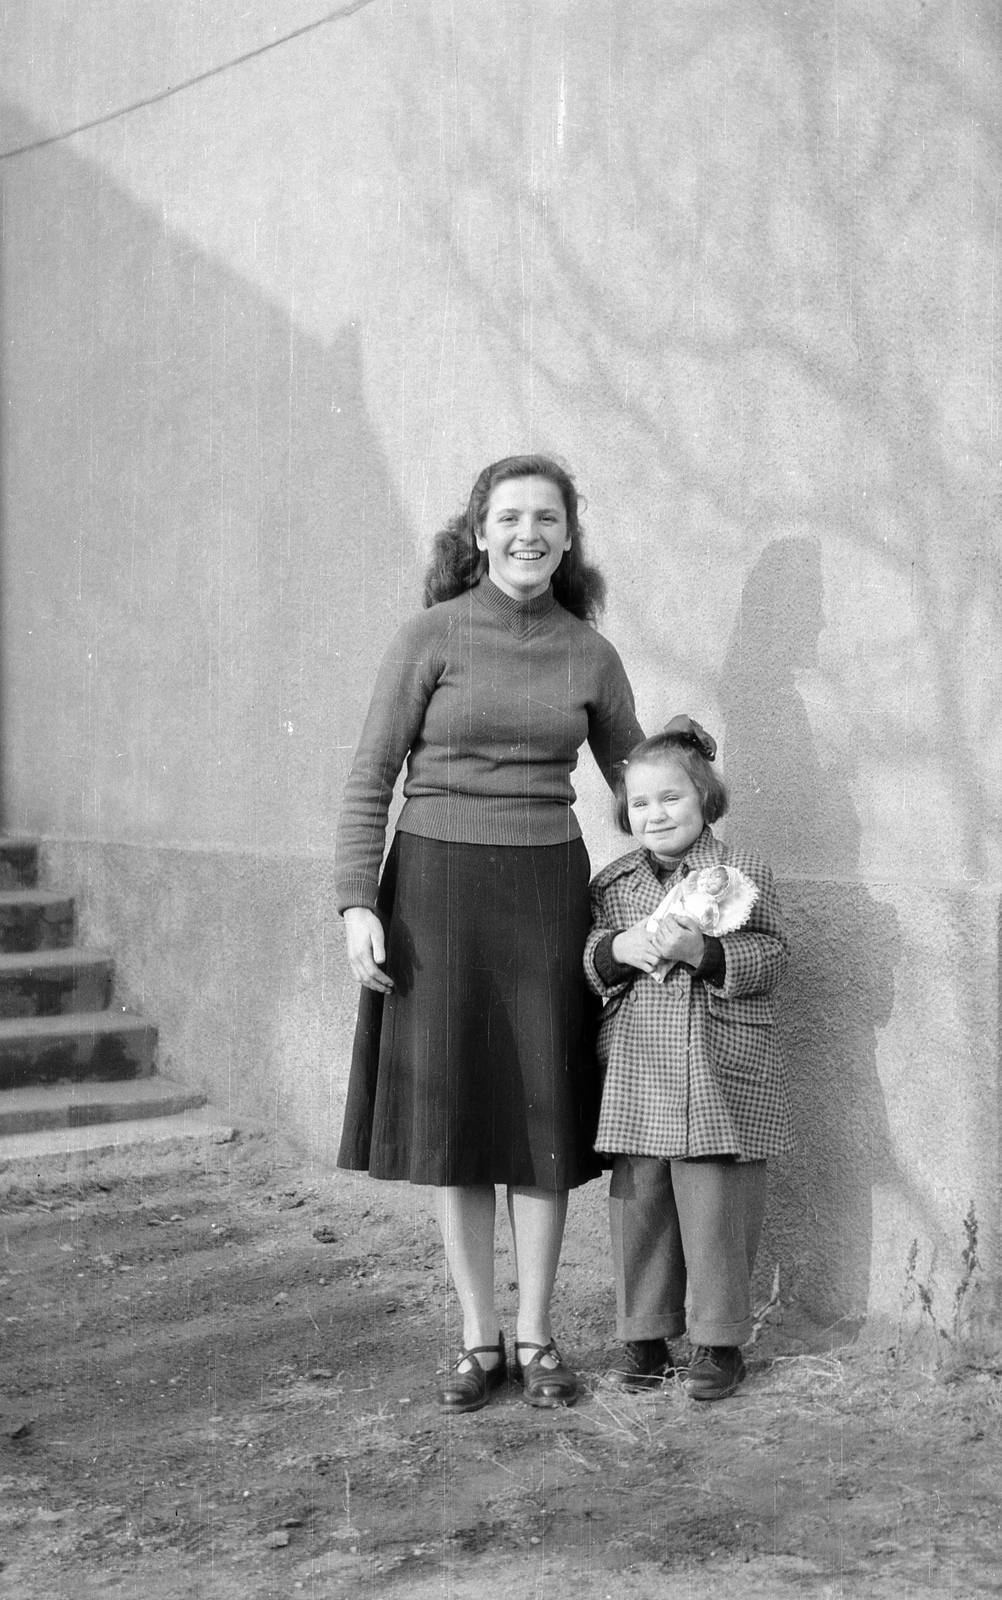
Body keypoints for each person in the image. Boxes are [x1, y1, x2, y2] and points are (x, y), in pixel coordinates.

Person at [334, 454, 644, 1413]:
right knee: (460, 1126)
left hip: (546, 895)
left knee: (540, 1122)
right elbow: (369, 778)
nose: (528, 534)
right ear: (478, 533)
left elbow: (641, 785)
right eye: (509, 517)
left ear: (567, 534)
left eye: (546, 518)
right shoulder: (429, 637)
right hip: (433, 895)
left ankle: (538, 1337)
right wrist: (358, 905)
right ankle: (479, 1343)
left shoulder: (589, 654)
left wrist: (694, 839)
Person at [584, 718, 791, 1401]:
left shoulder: (739, 874)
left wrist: (702, 952)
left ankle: (719, 1341)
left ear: (704, 798)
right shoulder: (613, 885)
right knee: (639, 1200)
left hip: (713, 1063)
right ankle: (644, 1335)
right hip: (640, 1066)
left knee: (713, 1203)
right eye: (640, 804)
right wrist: (613, 952)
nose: (655, 814)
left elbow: (773, 956)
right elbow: (586, 960)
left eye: (670, 797)